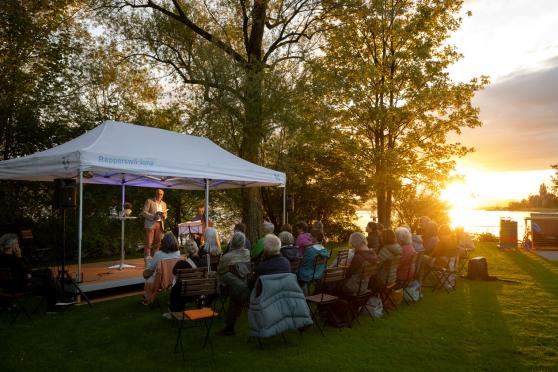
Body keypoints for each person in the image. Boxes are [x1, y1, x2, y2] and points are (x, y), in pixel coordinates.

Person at [0, 233, 65, 312]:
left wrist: (27, 274)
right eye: (16, 243)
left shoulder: (2, 258)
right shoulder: (13, 259)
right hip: (20, 287)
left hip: (7, 287)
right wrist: (19, 255)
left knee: (46, 274)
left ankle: (58, 301)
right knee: (47, 280)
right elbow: (26, 270)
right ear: (11, 245)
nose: (18, 245)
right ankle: (56, 303)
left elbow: (20, 272)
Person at [217, 232, 251, 336]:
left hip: (227, 288)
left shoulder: (227, 257)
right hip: (243, 284)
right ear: (243, 242)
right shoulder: (247, 253)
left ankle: (229, 328)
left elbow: (220, 271)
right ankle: (229, 328)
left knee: (228, 278)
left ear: (232, 242)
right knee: (236, 293)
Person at [298, 227, 329, 292]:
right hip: (320, 273)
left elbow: (304, 263)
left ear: (315, 238)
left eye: (311, 236)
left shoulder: (310, 250)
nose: (309, 238)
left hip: (309, 274)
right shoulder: (325, 250)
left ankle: (303, 295)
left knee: (296, 272)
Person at [142, 188, 167, 260]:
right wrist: (153, 216)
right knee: (149, 243)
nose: (160, 195)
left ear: (163, 195)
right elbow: (144, 212)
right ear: (155, 194)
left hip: (160, 224)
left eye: (161, 194)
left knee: (158, 243)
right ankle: (147, 259)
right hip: (151, 224)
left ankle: (154, 259)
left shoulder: (164, 204)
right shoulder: (149, 201)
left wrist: (164, 216)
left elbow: (166, 213)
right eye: (158, 194)